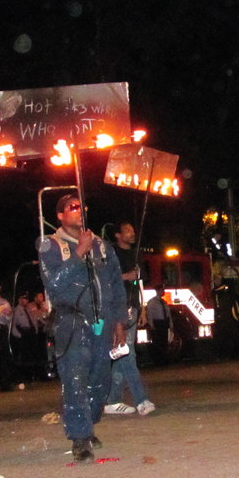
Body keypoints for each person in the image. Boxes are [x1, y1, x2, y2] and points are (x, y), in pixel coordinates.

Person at [37, 193, 128, 463]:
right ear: (60, 215)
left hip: (102, 320)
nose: (78, 211)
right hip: (70, 321)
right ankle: (80, 436)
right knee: (74, 379)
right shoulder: (50, 245)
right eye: (71, 207)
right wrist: (78, 254)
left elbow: (114, 284)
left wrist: (119, 321)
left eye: (81, 206)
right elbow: (53, 283)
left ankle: (89, 423)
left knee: (101, 379)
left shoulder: (102, 246)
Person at [104, 220, 155, 416]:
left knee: (121, 353)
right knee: (127, 352)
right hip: (117, 307)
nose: (131, 234)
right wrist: (124, 276)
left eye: (133, 230)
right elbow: (106, 280)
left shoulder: (136, 254)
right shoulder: (111, 253)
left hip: (132, 305)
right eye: (127, 230)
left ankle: (113, 400)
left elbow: (140, 281)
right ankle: (141, 399)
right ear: (117, 235)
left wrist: (142, 308)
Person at [145, 284, 173, 365]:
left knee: (164, 342)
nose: (163, 292)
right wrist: (151, 324)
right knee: (157, 343)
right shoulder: (152, 302)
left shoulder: (164, 302)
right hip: (157, 324)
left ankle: (164, 360)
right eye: (161, 290)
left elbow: (168, 314)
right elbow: (149, 314)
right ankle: (158, 361)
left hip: (164, 323)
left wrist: (171, 325)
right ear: (157, 291)